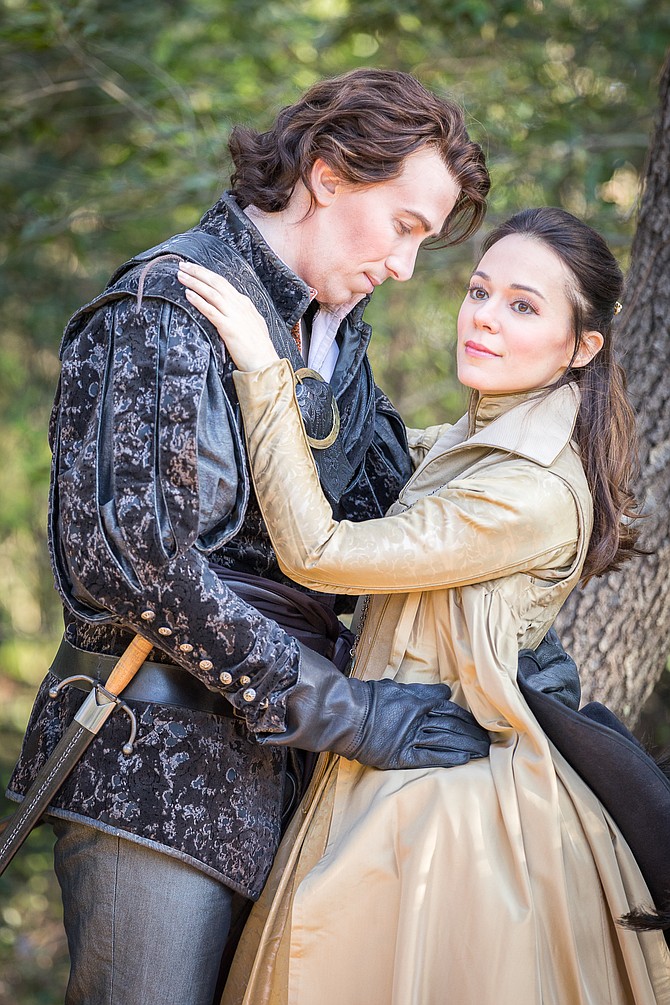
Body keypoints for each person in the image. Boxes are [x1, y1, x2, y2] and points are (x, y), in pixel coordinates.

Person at [4, 69, 506, 1005]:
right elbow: (132, 562)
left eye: (424, 244)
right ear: (326, 173)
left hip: (300, 788)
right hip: (153, 777)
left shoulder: (332, 341)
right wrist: (350, 714)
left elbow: (396, 528)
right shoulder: (159, 310)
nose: (404, 267)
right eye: (402, 226)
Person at [176, 206, 670, 1004]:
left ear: (583, 348)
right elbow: (357, 450)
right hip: (392, 757)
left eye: (523, 305)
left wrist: (262, 364)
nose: (484, 317)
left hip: (452, 808)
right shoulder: (470, 443)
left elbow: (322, 551)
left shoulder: (529, 488)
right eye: (480, 291)